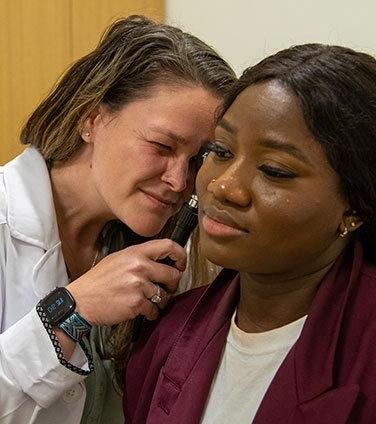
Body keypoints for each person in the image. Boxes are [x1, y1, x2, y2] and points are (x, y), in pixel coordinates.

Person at [0, 15, 236, 424]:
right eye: (162, 145)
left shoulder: (167, 250)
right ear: (92, 120)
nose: (180, 181)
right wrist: (73, 310)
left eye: (199, 159)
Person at [123, 43, 376, 423]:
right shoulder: (166, 336)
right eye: (221, 151)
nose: (223, 187)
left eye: (274, 170)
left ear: (354, 207)